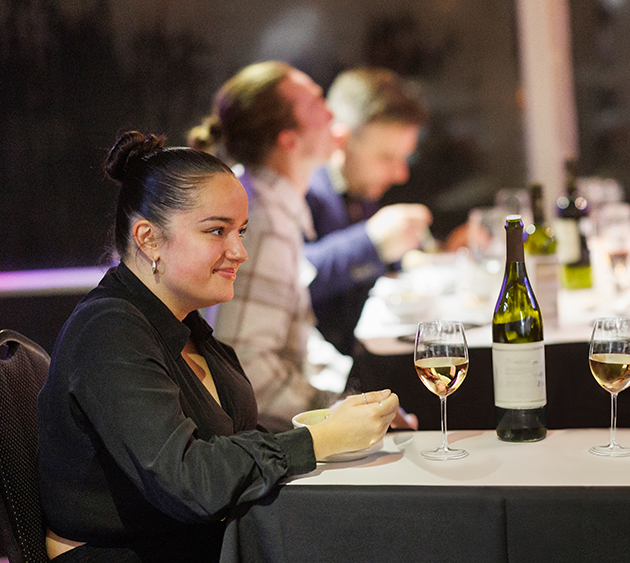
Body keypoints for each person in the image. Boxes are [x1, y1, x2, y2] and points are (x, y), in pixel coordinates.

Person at [36, 131, 398, 562]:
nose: (239, 251)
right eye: (217, 231)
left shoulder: (186, 327)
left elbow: (233, 448)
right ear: (149, 238)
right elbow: (190, 481)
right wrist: (316, 440)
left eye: (241, 231)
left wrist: (338, 427)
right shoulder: (109, 330)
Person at [189, 62, 416, 431]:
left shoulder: (275, 207)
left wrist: (349, 396)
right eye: (317, 105)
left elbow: (294, 339)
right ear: (288, 139)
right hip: (266, 443)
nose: (331, 113)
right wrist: (336, 413)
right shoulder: (260, 220)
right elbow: (245, 372)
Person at [304, 67, 432, 358]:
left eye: (404, 158)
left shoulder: (359, 186)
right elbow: (292, 276)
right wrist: (372, 242)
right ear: (340, 141)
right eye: (387, 157)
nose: (401, 174)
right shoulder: (302, 192)